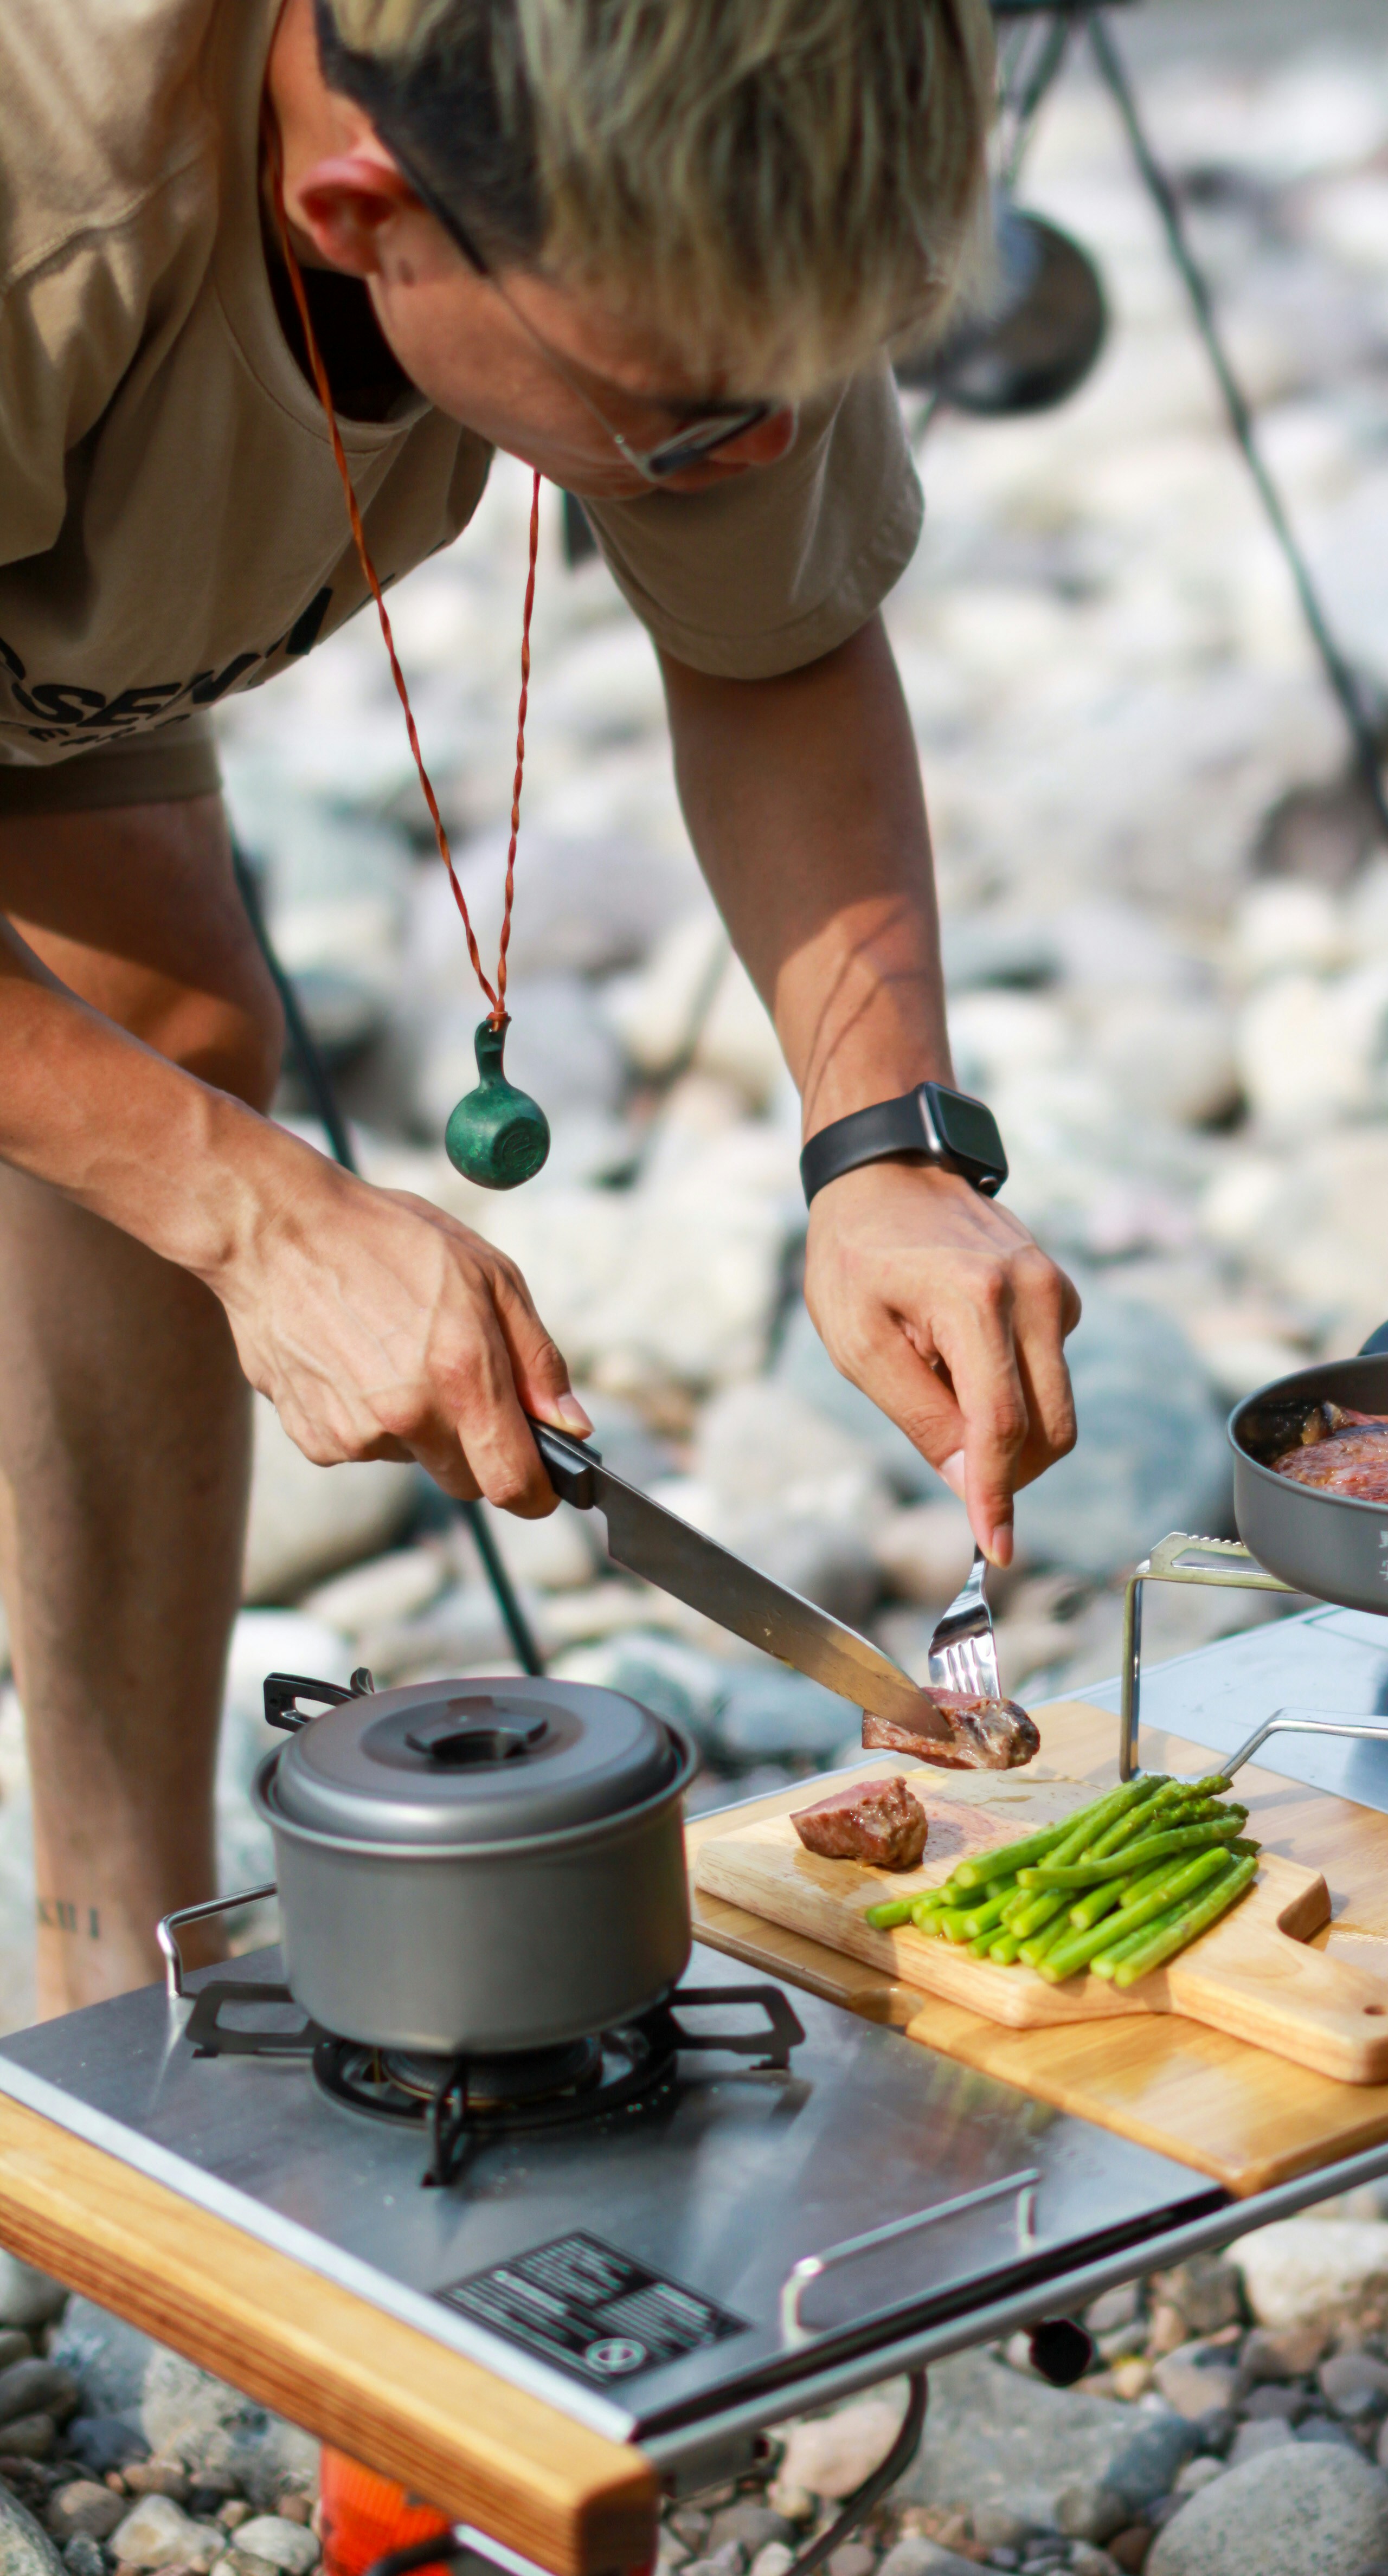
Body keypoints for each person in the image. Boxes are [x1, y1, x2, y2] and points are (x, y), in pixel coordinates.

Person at [0, 0, 1081, 2017]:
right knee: (177, 1134)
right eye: (683, 425)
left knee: (163, 1039)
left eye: (810, 389)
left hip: (56, 600)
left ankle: (102, 1956)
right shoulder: (42, 203)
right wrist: (254, 1215)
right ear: (360, 207)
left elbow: (774, 645)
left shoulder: (683, 175)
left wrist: (890, 1150)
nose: (744, 462)